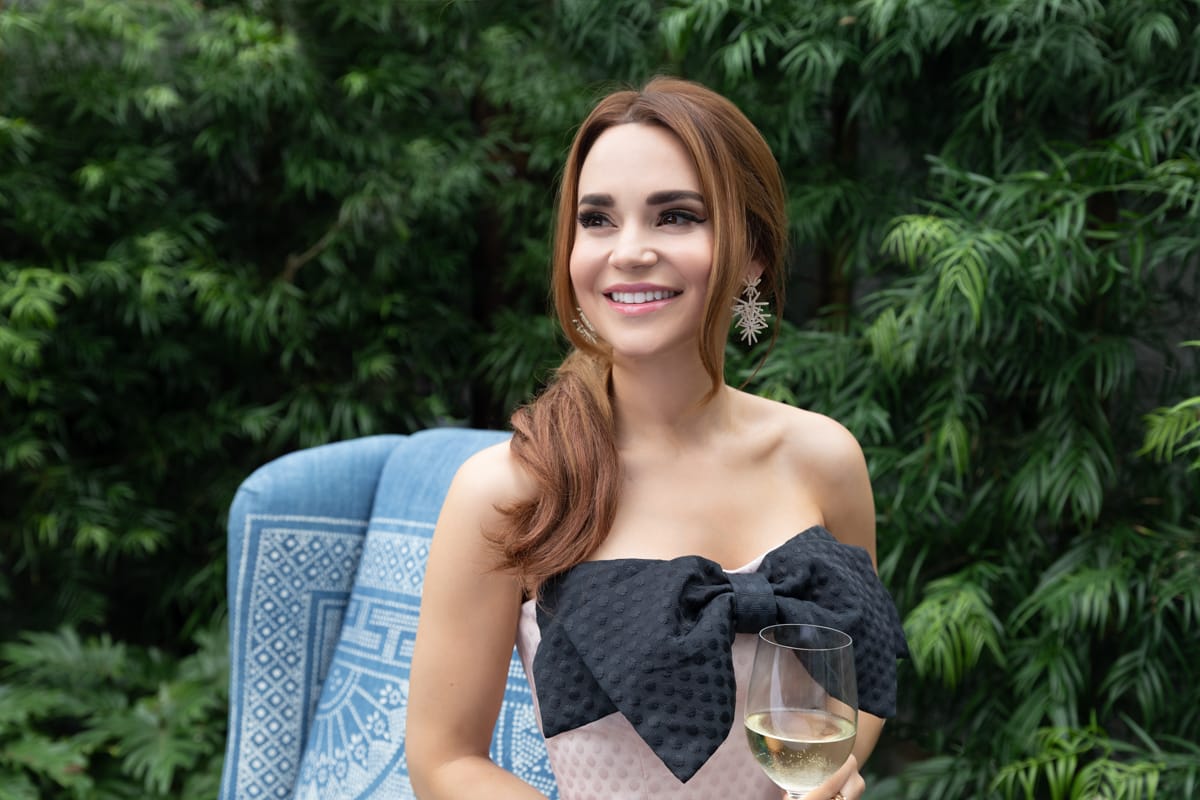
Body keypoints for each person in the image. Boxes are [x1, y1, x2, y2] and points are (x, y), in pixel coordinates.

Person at [407, 76, 907, 800]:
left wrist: (823, 781)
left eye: (675, 216)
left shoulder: (825, 459)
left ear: (753, 253)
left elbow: (856, 677)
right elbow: (444, 761)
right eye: (598, 220)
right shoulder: (509, 490)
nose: (629, 251)